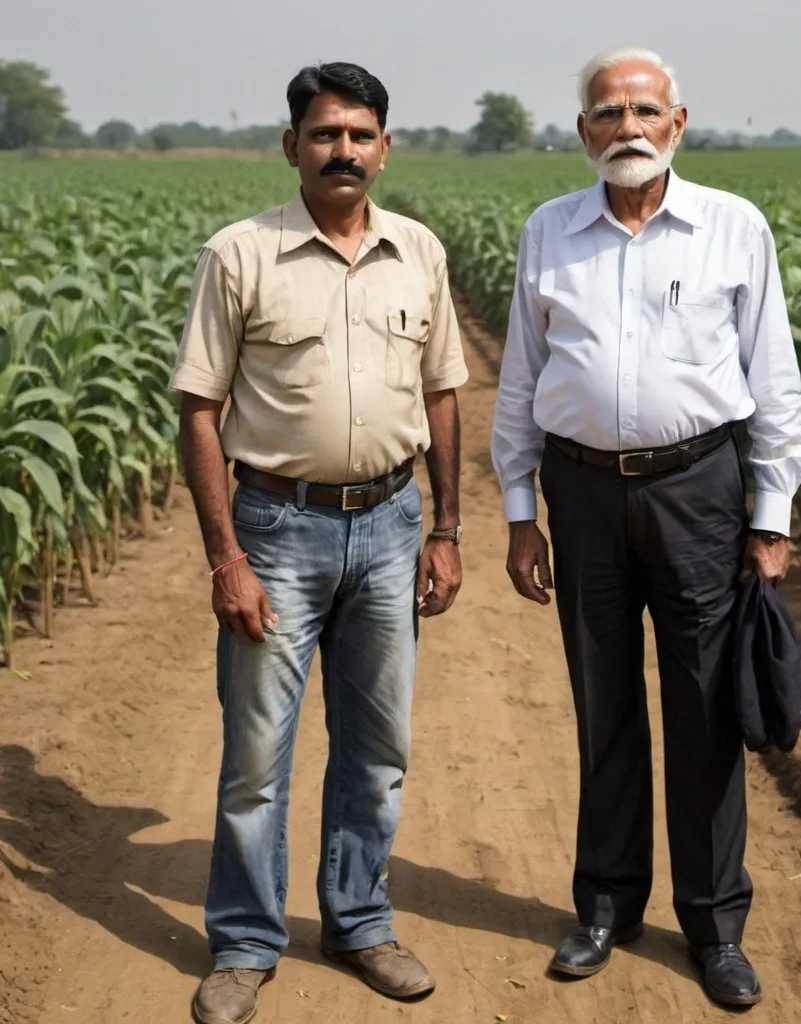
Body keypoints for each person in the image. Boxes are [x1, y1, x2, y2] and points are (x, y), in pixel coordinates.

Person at [490, 46, 801, 1008]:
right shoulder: (550, 230)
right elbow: (518, 382)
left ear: (677, 123)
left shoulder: (732, 228)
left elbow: (774, 380)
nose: (625, 128)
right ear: (583, 131)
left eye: (643, 111)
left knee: (707, 710)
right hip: (581, 492)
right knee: (604, 704)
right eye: (606, 113)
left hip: (697, 491)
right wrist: (519, 512)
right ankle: (605, 907)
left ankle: (715, 926)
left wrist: (770, 515)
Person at [171, 61, 468, 1024]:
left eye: (360, 133)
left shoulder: (418, 251)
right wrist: (226, 558)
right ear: (292, 144)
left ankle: (359, 922)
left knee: (377, 747)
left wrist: (448, 528)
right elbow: (200, 410)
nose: (344, 149)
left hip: (389, 524)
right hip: (277, 527)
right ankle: (246, 943)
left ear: (386, 147)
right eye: (325, 133)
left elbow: (442, 392)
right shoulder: (241, 253)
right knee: (257, 758)